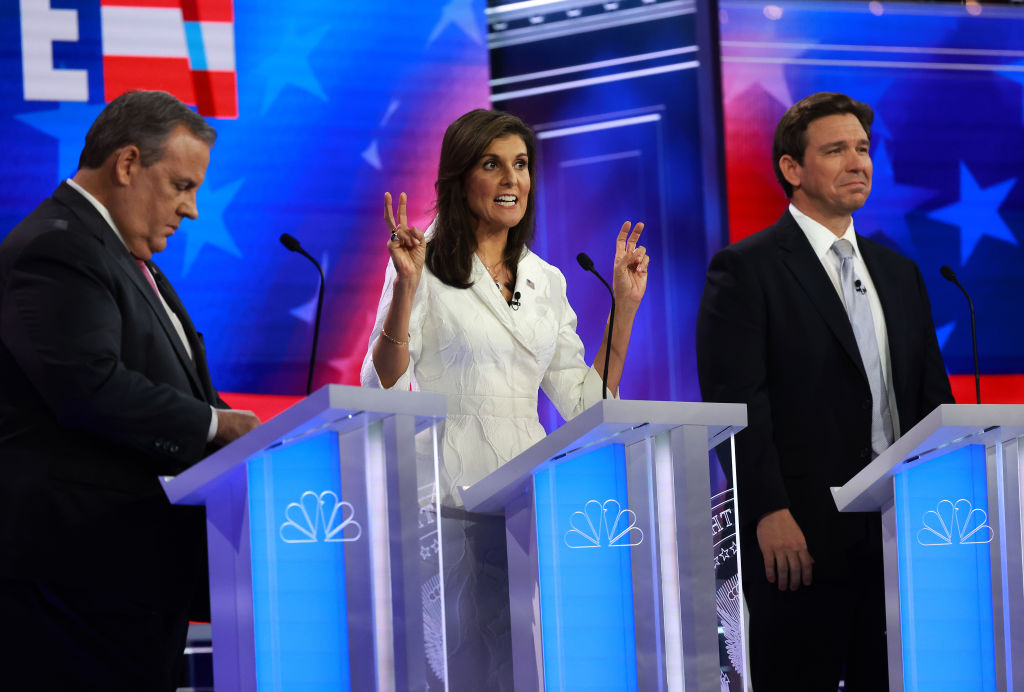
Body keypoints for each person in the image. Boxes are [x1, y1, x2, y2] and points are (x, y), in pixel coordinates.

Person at [0, 90, 260, 690]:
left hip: (131, 580)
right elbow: (90, 385)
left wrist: (257, 432)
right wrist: (219, 426)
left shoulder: (123, 255)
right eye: (181, 185)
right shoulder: (57, 246)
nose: (191, 209)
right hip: (74, 582)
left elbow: (181, 387)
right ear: (127, 164)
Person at [696, 92, 953, 691]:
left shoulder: (900, 273)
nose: (857, 162)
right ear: (792, 169)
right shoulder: (746, 268)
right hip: (802, 533)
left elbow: (930, 399)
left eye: (862, 149)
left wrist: (940, 503)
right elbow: (736, 405)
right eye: (835, 150)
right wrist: (766, 511)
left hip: (899, 529)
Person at [360, 108, 649, 489]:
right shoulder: (420, 262)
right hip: (449, 496)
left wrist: (623, 310)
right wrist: (405, 288)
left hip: (532, 498)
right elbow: (380, 391)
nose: (512, 179)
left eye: (521, 164)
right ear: (460, 179)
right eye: (492, 165)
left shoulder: (546, 280)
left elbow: (585, 409)